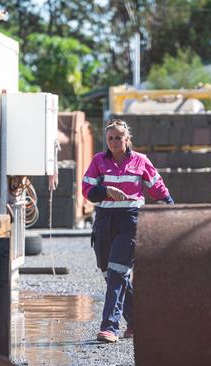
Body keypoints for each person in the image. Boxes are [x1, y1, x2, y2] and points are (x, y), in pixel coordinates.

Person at [82, 118, 174, 343]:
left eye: (118, 138)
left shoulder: (140, 161)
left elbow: (157, 188)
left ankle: (109, 327)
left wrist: (172, 208)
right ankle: (138, 322)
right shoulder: (98, 161)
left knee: (117, 272)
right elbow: (87, 190)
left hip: (130, 222)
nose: (114, 142)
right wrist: (106, 191)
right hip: (104, 222)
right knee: (110, 273)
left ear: (127, 139)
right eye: (110, 138)